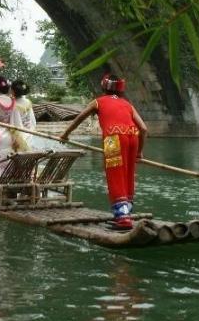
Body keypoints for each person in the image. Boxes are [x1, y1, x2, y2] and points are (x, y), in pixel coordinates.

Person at [59, 74, 148, 229]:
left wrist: (66, 134)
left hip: (113, 139)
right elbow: (144, 129)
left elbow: (80, 117)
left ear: (103, 88)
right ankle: (125, 211)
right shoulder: (127, 104)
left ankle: (122, 218)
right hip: (133, 137)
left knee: (115, 174)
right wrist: (139, 152)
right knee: (128, 174)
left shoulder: (98, 102)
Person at [10, 79, 36, 152]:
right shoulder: (28, 102)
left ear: (13, 91)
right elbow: (33, 121)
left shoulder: (14, 105)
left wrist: (15, 140)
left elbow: (15, 124)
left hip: (20, 138)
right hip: (29, 134)